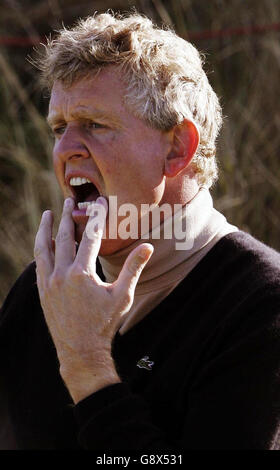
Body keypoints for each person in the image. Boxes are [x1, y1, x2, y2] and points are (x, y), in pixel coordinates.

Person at [0, 11, 279, 451]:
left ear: (177, 148)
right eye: (58, 128)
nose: (65, 149)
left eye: (94, 125)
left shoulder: (262, 307)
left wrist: (87, 367)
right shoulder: (36, 294)